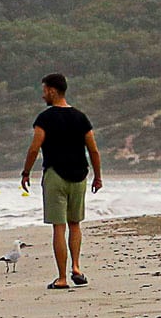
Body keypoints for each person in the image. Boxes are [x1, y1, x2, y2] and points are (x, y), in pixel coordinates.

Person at [17, 73, 101, 289]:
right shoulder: (81, 118)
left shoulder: (45, 119)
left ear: (53, 91)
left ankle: (62, 278)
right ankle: (76, 267)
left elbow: (34, 148)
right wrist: (98, 177)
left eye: (44, 90)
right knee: (75, 224)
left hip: (55, 175)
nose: (43, 94)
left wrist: (26, 172)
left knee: (59, 227)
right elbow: (93, 150)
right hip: (79, 176)